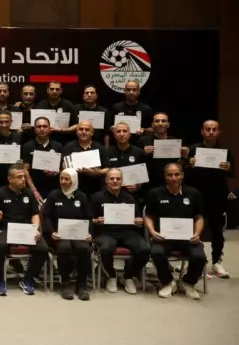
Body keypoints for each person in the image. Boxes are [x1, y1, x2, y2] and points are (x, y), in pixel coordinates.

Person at [144, 163, 207, 299]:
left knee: (199, 257)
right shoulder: (154, 193)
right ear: (165, 177)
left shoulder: (193, 193)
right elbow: (149, 216)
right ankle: (168, 282)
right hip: (163, 238)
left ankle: (188, 282)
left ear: (182, 175)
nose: (174, 178)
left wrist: (197, 233)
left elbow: (199, 217)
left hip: (188, 238)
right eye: (170, 175)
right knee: (156, 252)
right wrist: (153, 232)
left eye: (177, 174)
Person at [90, 168, 150, 294]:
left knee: (144, 249)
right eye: (112, 178)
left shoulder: (130, 198)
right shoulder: (96, 197)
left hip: (128, 232)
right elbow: (89, 219)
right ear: (106, 180)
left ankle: (128, 276)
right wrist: (96, 221)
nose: (115, 181)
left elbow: (138, 220)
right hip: (105, 232)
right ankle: (111, 276)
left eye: (118, 178)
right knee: (106, 248)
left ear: (122, 181)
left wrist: (139, 222)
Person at [186, 120, 234, 278]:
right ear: (202, 131)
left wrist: (228, 168)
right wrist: (189, 164)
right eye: (208, 129)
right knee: (192, 229)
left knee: (217, 230)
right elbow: (183, 171)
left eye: (214, 129)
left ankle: (216, 262)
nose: (211, 132)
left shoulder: (225, 152)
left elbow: (231, 173)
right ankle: (192, 262)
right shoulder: (194, 149)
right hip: (196, 194)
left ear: (219, 132)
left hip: (217, 195)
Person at [0, 165, 47, 295]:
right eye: (19, 177)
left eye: (24, 176)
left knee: (43, 248)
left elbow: (35, 214)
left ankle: (28, 279)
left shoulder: (29, 193)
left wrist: (36, 230)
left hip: (26, 228)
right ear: (10, 179)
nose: (23, 179)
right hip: (6, 228)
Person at [42, 169, 92, 301]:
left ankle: (82, 284)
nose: (63, 182)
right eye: (61, 178)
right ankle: (65, 283)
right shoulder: (53, 195)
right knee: (65, 248)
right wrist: (51, 232)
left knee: (84, 248)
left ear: (74, 180)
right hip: (59, 235)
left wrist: (89, 233)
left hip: (78, 234)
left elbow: (88, 217)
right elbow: (46, 217)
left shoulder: (81, 196)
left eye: (66, 179)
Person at [21, 116, 63, 203]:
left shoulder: (58, 146)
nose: (42, 129)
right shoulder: (27, 146)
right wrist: (34, 191)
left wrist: (56, 172)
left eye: (45, 126)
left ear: (49, 128)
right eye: (39, 126)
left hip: (54, 189)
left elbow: (63, 168)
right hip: (33, 188)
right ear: (34, 129)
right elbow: (25, 170)